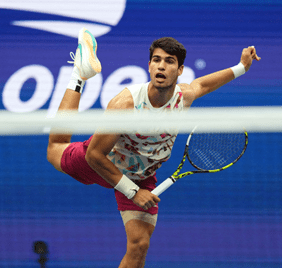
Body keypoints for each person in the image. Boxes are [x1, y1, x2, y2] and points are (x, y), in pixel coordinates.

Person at [46, 27, 260, 268]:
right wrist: (133, 192)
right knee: (55, 149)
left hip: (142, 176)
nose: (161, 66)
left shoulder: (183, 97)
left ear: (179, 71)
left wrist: (242, 67)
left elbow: (205, 85)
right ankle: (79, 74)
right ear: (149, 66)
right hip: (104, 166)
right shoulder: (125, 105)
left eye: (169, 62)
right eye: (156, 60)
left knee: (139, 245)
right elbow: (95, 155)